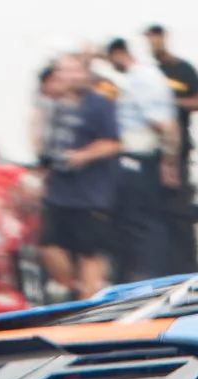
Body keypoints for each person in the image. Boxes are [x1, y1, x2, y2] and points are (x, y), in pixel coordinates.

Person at [37, 53, 122, 300]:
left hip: (90, 193)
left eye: (76, 70)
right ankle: (69, 286)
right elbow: (43, 147)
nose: (71, 76)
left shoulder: (99, 104)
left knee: (90, 252)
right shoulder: (52, 106)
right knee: (48, 245)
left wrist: (83, 156)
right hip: (58, 191)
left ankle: (89, 302)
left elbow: (113, 143)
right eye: (65, 71)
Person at [105, 37, 177, 280]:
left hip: (140, 159)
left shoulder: (142, 79)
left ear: (118, 53)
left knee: (143, 223)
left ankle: (151, 276)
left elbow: (162, 123)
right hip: (139, 159)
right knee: (138, 222)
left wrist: (168, 161)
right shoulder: (143, 77)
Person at [144, 25, 198, 274]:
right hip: (152, 155)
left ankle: (188, 267)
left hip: (179, 154)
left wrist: (170, 102)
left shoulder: (183, 70)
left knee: (180, 212)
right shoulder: (146, 73)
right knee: (155, 215)